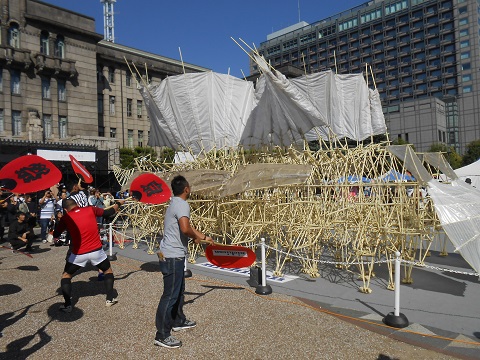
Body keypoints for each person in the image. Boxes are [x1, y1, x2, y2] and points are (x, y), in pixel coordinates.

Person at [154, 175, 213, 349]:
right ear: (186, 188)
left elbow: (187, 228)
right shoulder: (182, 204)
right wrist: (193, 235)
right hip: (172, 256)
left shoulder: (174, 203)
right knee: (170, 294)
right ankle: (162, 335)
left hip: (172, 254)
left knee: (179, 291)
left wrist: (202, 237)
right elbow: (185, 228)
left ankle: (178, 320)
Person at [53, 198, 121, 313]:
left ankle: (68, 305)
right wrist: (118, 204)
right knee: (108, 271)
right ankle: (109, 299)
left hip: (78, 253)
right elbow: (108, 212)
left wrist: (60, 225)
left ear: (65, 209)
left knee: (66, 276)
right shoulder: (90, 209)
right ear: (78, 204)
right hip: (96, 251)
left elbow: (56, 234)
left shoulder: (66, 218)